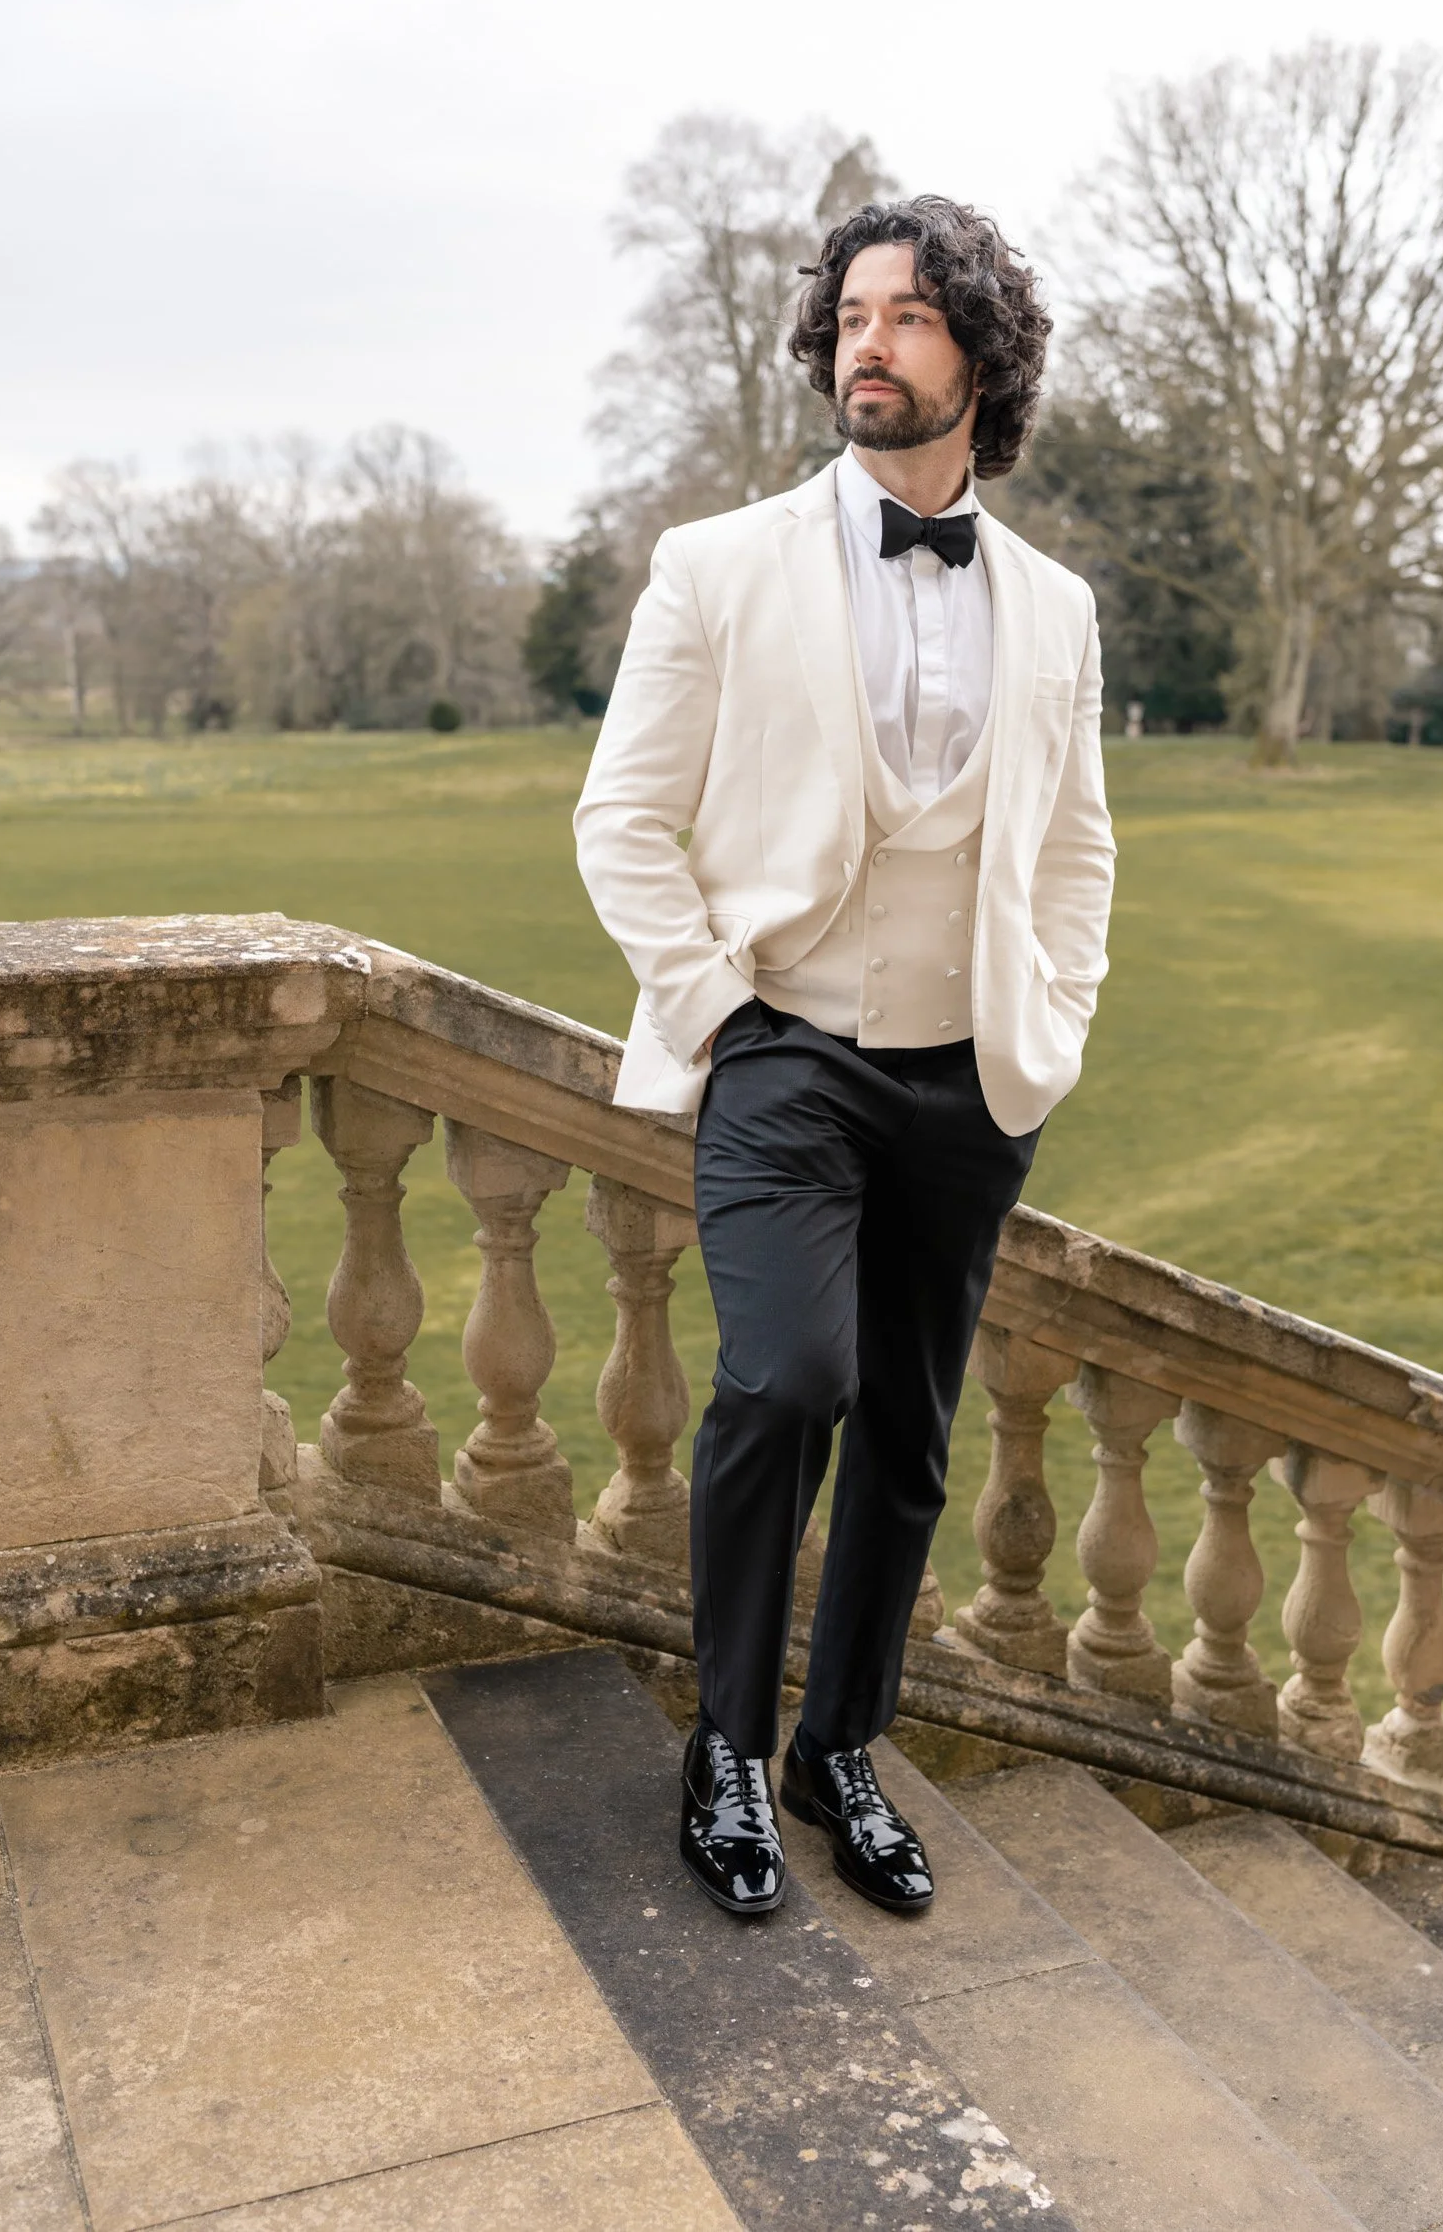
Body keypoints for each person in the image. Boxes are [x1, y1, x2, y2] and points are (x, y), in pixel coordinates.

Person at [574, 194, 1115, 1918]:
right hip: (784, 1052)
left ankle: (837, 1748)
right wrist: (720, 1011)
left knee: (906, 1437)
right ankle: (726, 1744)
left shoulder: (1054, 605)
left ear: (981, 357)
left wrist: (1056, 1014)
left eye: (909, 318)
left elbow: (1078, 844)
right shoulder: (715, 565)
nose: (865, 343)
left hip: (968, 1082)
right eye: (850, 317)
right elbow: (622, 821)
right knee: (785, 1379)